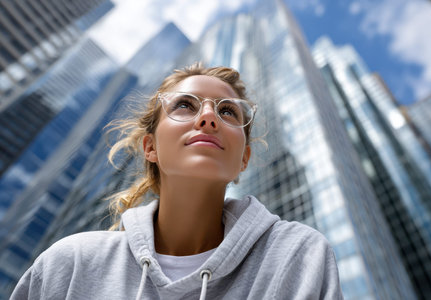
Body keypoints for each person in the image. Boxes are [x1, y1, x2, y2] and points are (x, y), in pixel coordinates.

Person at [11, 63, 343, 300]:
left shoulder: (298, 256)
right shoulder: (71, 264)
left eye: (228, 112)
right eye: (185, 105)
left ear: (244, 159)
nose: (208, 116)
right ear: (150, 147)